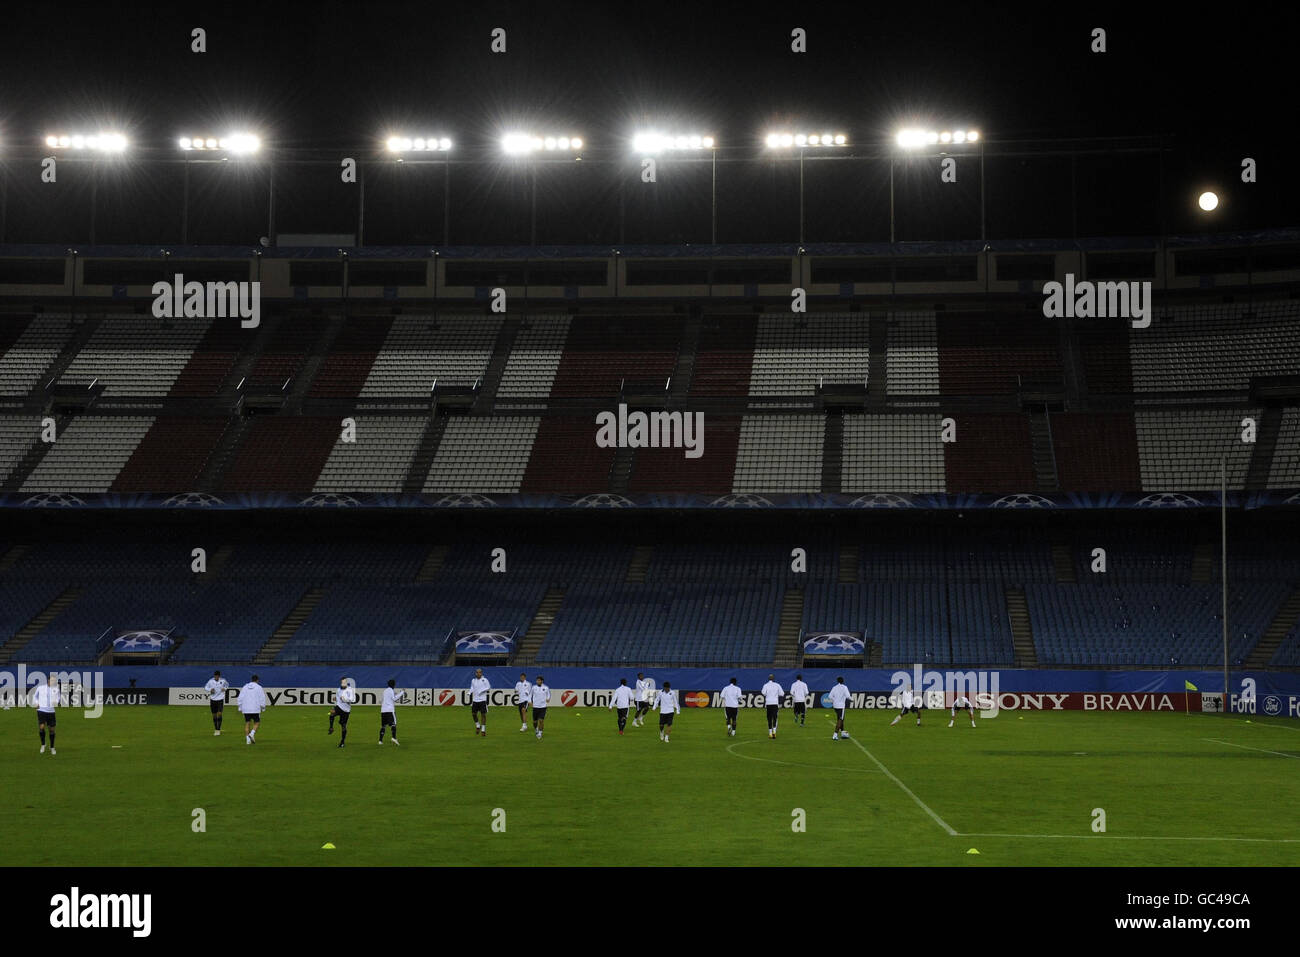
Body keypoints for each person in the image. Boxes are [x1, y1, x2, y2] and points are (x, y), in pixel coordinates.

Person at [33, 674, 59, 755]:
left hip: (51, 711)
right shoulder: (40, 688)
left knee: (51, 730)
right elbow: (35, 696)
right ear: (48, 680)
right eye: (51, 680)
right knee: (42, 727)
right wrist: (37, 703)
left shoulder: (56, 689)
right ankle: (43, 744)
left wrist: (56, 702)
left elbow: (58, 697)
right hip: (41, 710)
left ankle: (52, 747)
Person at [239, 675, 269, 744]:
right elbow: (262, 698)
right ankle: (252, 734)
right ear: (257, 680)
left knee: (247, 723)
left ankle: (248, 740)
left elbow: (240, 697)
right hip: (255, 708)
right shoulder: (259, 687)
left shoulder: (245, 687)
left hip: (246, 708)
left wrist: (240, 707)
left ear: (251, 679)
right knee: (257, 722)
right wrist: (263, 707)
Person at [328, 676, 356, 747]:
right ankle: (331, 728)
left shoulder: (350, 690)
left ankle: (342, 742)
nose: (343, 683)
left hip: (346, 710)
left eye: (345, 682)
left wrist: (345, 699)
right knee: (332, 713)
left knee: (343, 726)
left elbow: (353, 700)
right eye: (342, 682)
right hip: (339, 707)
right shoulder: (338, 690)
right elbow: (338, 699)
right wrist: (335, 701)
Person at [380, 679, 405, 745]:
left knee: (383, 726)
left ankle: (380, 741)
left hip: (383, 710)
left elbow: (381, 700)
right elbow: (394, 699)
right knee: (393, 724)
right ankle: (394, 738)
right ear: (393, 685)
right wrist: (402, 692)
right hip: (389, 710)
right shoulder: (391, 690)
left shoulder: (385, 691)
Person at [204, 669, 229, 736]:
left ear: (219, 676)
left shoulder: (223, 680)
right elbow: (206, 687)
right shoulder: (210, 681)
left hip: (220, 699)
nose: (216, 677)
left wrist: (225, 688)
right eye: (215, 676)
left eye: (217, 676)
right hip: (213, 699)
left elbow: (227, 685)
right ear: (214, 676)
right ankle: (215, 728)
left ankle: (218, 729)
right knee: (214, 715)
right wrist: (210, 689)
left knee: (219, 713)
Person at [760, 673, 784, 739]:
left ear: (768, 678)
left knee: (769, 718)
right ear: (774, 679)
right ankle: (774, 732)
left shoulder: (766, 685)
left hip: (768, 703)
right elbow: (782, 693)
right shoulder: (777, 685)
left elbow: (763, 693)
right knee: (775, 717)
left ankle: (770, 733)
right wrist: (777, 694)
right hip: (775, 703)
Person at [828, 676, 852, 740]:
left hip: (835, 706)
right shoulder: (844, 687)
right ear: (843, 681)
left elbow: (830, 696)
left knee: (841, 719)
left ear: (837, 681)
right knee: (840, 720)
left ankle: (843, 733)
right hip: (841, 706)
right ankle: (835, 735)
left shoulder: (834, 687)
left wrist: (834, 700)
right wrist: (852, 700)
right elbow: (848, 696)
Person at [470, 668, 491, 736]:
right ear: (475, 673)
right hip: (475, 700)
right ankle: (478, 725)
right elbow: (472, 688)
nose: (478, 674)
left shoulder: (484, 680)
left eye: (479, 672)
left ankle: (483, 729)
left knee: (483, 714)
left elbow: (488, 687)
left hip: (482, 700)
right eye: (477, 672)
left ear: (481, 673)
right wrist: (469, 692)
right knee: (473, 714)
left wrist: (482, 690)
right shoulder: (473, 680)